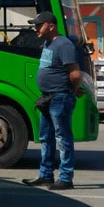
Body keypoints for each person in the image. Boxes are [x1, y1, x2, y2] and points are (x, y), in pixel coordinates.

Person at [22, 11, 82, 190]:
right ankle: (45, 175)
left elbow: (75, 74)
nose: (36, 29)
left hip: (59, 98)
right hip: (47, 97)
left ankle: (66, 178)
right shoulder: (48, 43)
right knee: (46, 137)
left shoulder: (64, 45)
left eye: (39, 25)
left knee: (63, 138)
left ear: (51, 26)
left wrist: (72, 90)